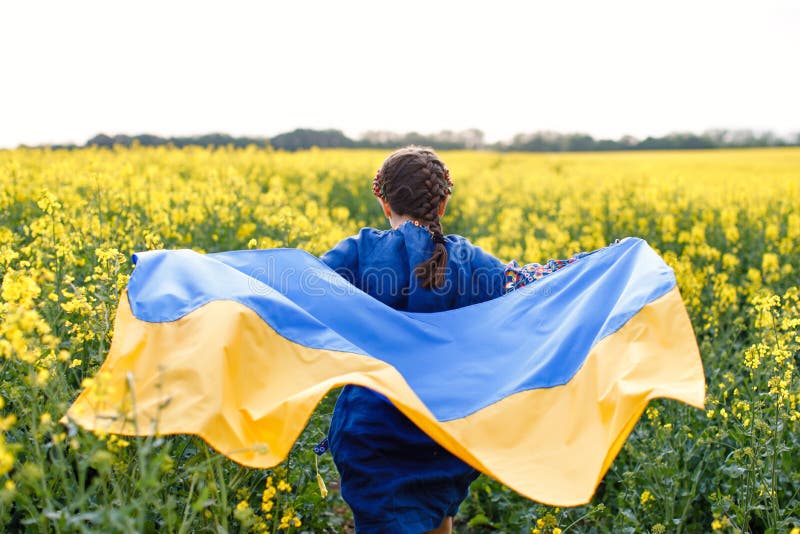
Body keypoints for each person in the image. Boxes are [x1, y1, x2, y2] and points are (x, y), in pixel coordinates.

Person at [319, 146, 582, 533]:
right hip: (445, 430)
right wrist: (595, 263)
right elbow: (527, 285)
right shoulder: (468, 260)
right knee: (441, 517)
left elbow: (304, 287)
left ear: (383, 201)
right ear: (442, 204)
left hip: (373, 432)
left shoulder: (359, 252)